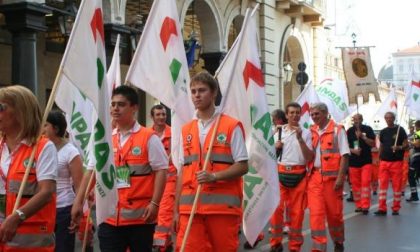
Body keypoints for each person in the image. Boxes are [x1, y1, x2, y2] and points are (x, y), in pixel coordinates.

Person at [72, 85, 168, 252]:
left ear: (134, 108)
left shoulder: (148, 138)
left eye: (121, 104)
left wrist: (155, 203)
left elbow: (161, 170)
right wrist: (78, 202)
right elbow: (91, 171)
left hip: (140, 220)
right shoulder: (103, 138)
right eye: (113, 104)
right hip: (109, 219)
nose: (115, 108)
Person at [173, 71, 248, 251]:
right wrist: (176, 210)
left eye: (202, 90)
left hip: (221, 209)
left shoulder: (231, 125)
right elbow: (182, 172)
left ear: (213, 93)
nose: (196, 95)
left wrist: (214, 176)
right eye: (193, 91)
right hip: (190, 209)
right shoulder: (186, 130)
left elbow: (243, 165)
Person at [0, 85, 57, 251]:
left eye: (1, 107)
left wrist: (17, 217)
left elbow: (46, 192)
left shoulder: (43, 147)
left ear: (20, 111)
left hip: (29, 243)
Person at [269, 102, 313, 252]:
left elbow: (309, 157)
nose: (295, 115)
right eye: (292, 112)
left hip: (299, 175)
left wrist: (300, 139)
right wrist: (275, 147)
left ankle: (295, 247)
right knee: (276, 211)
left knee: (297, 214)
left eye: (297, 112)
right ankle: (276, 244)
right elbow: (270, 157)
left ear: (300, 115)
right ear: (286, 115)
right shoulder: (278, 133)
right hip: (279, 175)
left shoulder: (306, 133)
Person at [308, 102, 349, 252]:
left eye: (316, 114)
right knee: (316, 215)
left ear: (325, 113)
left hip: (332, 182)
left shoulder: (338, 130)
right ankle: (318, 248)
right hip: (314, 179)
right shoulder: (310, 131)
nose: (314, 117)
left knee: (334, 216)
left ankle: (338, 241)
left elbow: (345, 156)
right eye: (312, 115)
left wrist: (340, 178)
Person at [43, 110, 83, 252]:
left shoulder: (70, 151)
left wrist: (78, 210)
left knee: (63, 248)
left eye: (46, 125)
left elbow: (79, 185)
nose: (42, 128)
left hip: (64, 208)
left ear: (56, 128)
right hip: (43, 207)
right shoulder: (40, 148)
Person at [149, 104, 177, 251]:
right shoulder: (147, 135)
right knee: (152, 212)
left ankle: (160, 245)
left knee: (164, 212)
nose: (161, 117)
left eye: (163, 114)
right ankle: (167, 242)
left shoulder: (174, 134)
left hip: (170, 180)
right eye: (158, 114)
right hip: (150, 181)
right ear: (152, 117)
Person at [375, 112, 408, 216]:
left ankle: (396, 208)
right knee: (382, 186)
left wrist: (399, 147)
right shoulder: (383, 131)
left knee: (397, 186)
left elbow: (406, 145)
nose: (389, 119)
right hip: (384, 162)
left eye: (390, 118)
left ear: (394, 118)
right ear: (385, 119)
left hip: (396, 162)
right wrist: (378, 157)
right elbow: (381, 146)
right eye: (387, 118)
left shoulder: (400, 130)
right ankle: (382, 208)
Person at [346, 114, 376, 214]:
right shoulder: (349, 131)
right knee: (355, 185)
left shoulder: (368, 129)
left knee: (365, 183)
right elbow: (345, 147)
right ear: (353, 120)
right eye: (355, 119)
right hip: (353, 162)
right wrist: (353, 151)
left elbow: (373, 143)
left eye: (359, 119)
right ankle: (358, 205)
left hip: (366, 161)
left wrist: (363, 137)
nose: (357, 121)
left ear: (362, 119)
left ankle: (365, 206)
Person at [406, 120, 420, 202]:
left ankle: (414, 195)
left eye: (415, 126)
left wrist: (409, 141)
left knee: (411, 176)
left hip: (417, 157)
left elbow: (417, 144)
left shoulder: (417, 133)